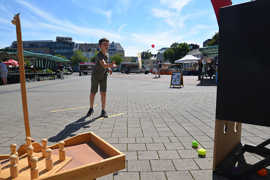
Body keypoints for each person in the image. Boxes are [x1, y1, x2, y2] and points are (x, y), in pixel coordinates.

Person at [86, 38, 116, 118]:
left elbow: (105, 65)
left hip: (103, 76)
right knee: (93, 92)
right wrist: (111, 65)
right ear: (100, 46)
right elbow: (103, 64)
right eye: (104, 44)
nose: (106, 46)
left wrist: (109, 69)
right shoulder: (99, 55)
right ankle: (91, 108)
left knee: (103, 93)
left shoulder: (107, 54)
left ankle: (103, 110)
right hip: (95, 76)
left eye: (107, 45)